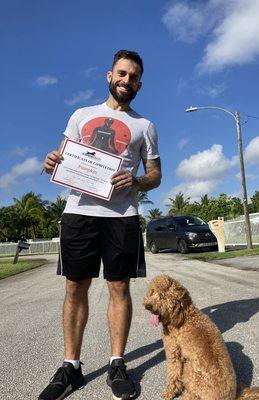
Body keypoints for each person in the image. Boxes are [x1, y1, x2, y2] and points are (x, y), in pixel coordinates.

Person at [38, 49, 161, 400]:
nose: (126, 80)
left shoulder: (145, 126)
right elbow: (62, 155)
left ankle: (117, 363)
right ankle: (71, 366)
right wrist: (52, 161)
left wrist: (136, 182)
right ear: (110, 75)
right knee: (75, 288)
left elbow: (155, 174)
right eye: (121, 73)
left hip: (121, 217)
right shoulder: (81, 114)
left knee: (118, 288)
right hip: (79, 212)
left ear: (139, 83)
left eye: (133, 77)